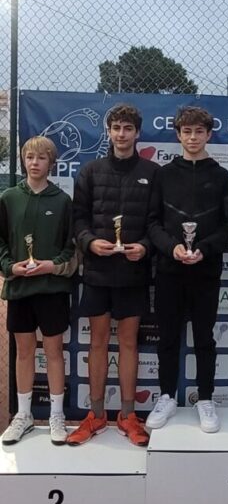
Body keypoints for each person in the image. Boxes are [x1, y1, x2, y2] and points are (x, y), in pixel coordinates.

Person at [68, 103, 159, 447]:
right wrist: (90, 243)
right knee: (98, 342)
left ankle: (128, 415)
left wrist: (145, 247)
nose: (121, 134)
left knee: (129, 343)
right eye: (116, 128)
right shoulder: (90, 171)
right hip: (97, 271)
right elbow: (78, 218)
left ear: (137, 133)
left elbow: (157, 223)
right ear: (108, 132)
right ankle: (95, 415)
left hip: (133, 273)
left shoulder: (152, 172)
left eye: (127, 128)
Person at [146, 105, 228, 433]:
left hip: (206, 271)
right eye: (187, 132)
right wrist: (172, 247)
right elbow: (152, 223)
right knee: (168, 337)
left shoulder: (221, 176)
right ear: (178, 135)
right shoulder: (164, 174)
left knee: (204, 338)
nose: (193, 137)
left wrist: (204, 249)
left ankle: (206, 399)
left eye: (199, 132)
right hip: (169, 270)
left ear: (209, 135)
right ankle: (166, 396)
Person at [0, 136, 77, 446]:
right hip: (20, 287)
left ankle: (57, 415)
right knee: (24, 351)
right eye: (30, 157)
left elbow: (70, 248)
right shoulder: (8, 198)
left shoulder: (63, 201)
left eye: (41, 158)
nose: (34, 163)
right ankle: (24, 415)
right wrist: (10, 267)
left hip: (52, 288)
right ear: (23, 160)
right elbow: (1, 242)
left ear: (51, 163)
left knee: (54, 351)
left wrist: (52, 266)